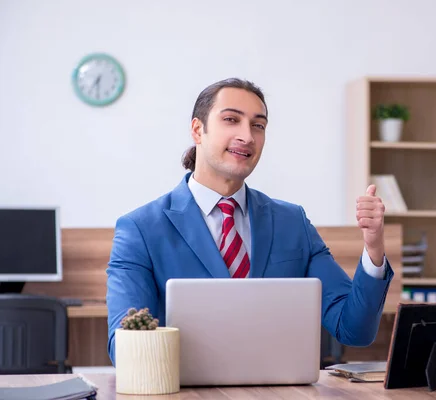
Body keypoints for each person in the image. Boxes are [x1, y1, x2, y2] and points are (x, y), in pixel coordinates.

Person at [105, 78, 395, 365]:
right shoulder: (141, 229)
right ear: (197, 130)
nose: (247, 136)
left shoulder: (292, 222)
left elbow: (353, 330)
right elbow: (126, 349)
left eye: (258, 125)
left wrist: (373, 249)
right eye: (231, 119)